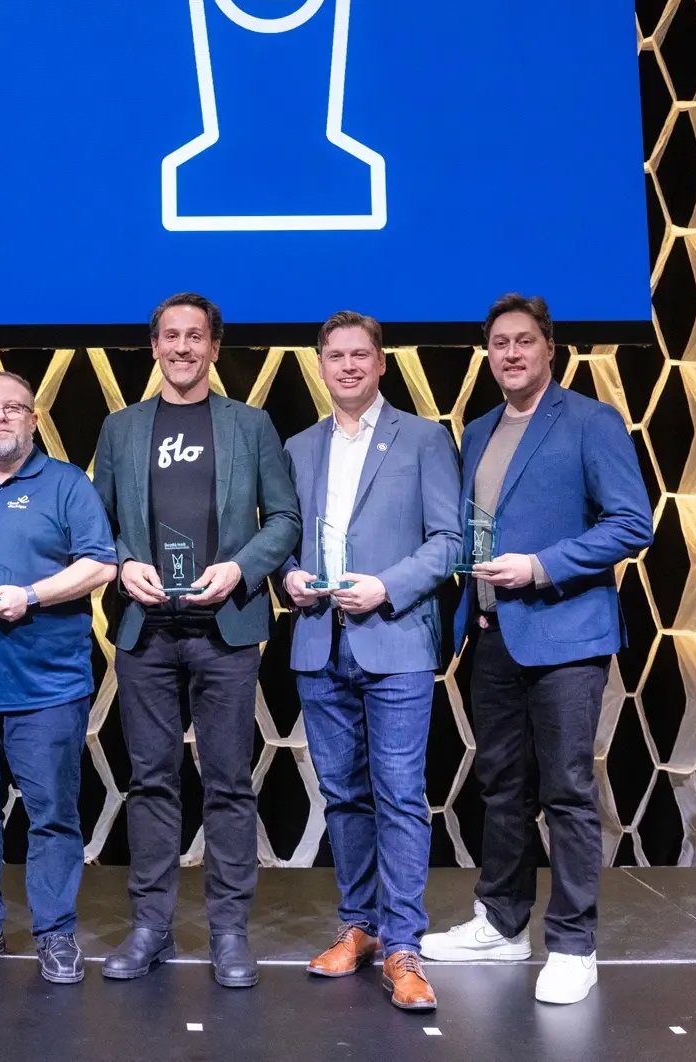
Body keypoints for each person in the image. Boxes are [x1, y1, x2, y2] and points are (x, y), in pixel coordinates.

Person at [419, 294, 652, 1005]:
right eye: (500, 344)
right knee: (502, 788)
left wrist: (540, 566)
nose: (511, 354)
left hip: (565, 636)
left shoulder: (590, 421)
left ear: (550, 347)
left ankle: (574, 945)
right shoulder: (479, 429)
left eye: (524, 341)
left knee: (568, 791)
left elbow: (631, 523)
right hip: (492, 637)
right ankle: (501, 922)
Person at [92, 292, 301, 989]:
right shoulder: (121, 429)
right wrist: (124, 563)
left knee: (229, 783)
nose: (182, 347)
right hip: (145, 630)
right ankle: (151, 927)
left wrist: (240, 568)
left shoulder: (251, 424)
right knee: (150, 781)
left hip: (226, 629)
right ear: (154, 346)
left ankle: (229, 932)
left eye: (195, 336)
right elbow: (98, 523)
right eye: (171, 336)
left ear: (215, 346)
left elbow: (285, 519)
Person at [280, 311, 459, 1010]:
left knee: (400, 793)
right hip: (318, 640)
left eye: (361, 355)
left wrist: (387, 586)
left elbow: (448, 541)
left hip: (396, 639)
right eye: (336, 356)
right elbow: (286, 538)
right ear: (320, 365)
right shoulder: (298, 446)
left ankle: (404, 946)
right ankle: (358, 926)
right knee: (343, 794)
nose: (349, 366)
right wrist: (290, 578)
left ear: (381, 363)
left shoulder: (423, 439)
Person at [0, 369, 117, 984]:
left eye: (13, 408)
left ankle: (55, 933)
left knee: (53, 817)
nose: (0, 418)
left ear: (34, 419)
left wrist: (31, 596)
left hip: (47, 690)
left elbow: (101, 565)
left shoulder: (66, 485)